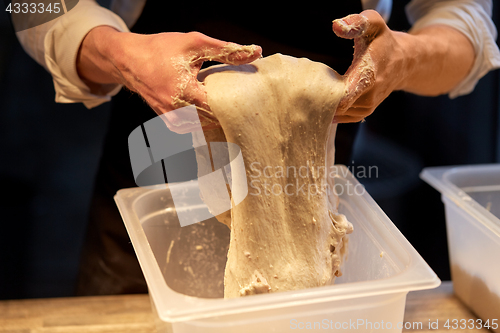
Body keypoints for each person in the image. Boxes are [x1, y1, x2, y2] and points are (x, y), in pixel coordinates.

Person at [14, 0, 500, 295]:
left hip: (312, 186)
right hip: (162, 161)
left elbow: (469, 23)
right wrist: (120, 54)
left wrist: (407, 57)